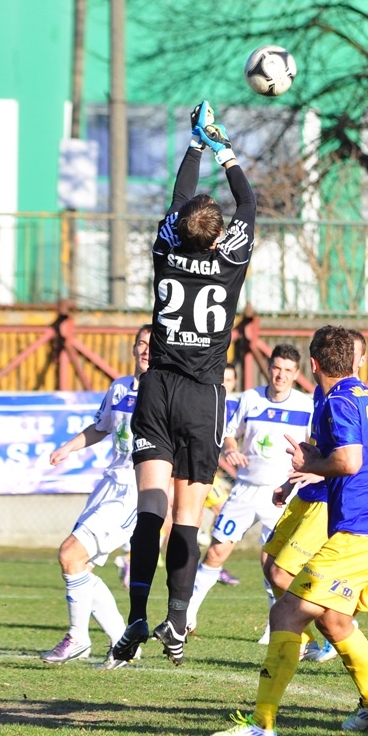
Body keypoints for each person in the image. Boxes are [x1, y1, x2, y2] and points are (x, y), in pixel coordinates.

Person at [112, 101, 256, 667]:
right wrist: (224, 146)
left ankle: (137, 617)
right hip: (202, 397)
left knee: (151, 507)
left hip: (158, 387)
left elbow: (179, 200)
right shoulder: (230, 258)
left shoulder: (168, 248)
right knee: (189, 515)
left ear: (182, 229)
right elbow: (246, 200)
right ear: (219, 234)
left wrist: (194, 143)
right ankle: (177, 621)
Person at [210, 325, 368, 736]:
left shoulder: (337, 401)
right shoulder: (367, 396)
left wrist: (312, 465)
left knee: (285, 613)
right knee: (333, 620)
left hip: (359, 533)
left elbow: (350, 462)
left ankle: (262, 724)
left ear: (312, 364)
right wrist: (311, 461)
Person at [40, 324, 152, 668]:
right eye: (143, 344)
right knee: (80, 564)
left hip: (134, 490)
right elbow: (100, 427)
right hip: (108, 484)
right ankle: (124, 642)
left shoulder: (165, 392)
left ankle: (78, 638)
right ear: (133, 349)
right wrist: (68, 448)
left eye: (153, 346)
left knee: (70, 554)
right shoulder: (119, 388)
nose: (147, 351)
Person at [185, 344, 313, 634]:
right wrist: (230, 450)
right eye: (276, 368)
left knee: (274, 564)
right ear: (268, 369)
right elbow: (230, 433)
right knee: (217, 551)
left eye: (288, 371)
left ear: (296, 375)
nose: (280, 375)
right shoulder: (251, 398)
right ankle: (188, 616)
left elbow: (313, 447)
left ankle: (275, 628)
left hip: (281, 494)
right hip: (245, 489)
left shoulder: (305, 406)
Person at [261, 329, 368, 662]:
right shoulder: (323, 396)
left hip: (326, 498)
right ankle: (317, 627)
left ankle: (328, 629)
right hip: (307, 491)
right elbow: (318, 449)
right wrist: (292, 481)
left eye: (356, 354)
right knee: (268, 564)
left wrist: (320, 469)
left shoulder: (353, 399)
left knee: (281, 573)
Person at [199, 363, 242, 586]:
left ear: (235, 383)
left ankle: (214, 565)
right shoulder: (206, 402)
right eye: (222, 378)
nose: (226, 383)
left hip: (214, 473)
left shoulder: (238, 406)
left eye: (230, 379)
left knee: (222, 511)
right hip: (198, 467)